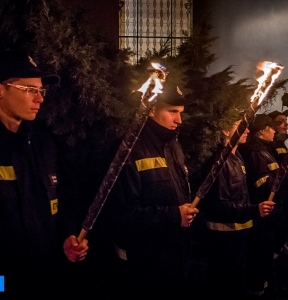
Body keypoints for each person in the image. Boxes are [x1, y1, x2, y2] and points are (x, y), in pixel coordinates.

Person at [0, 50, 88, 298]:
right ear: (1, 90)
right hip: (3, 282)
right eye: (29, 89)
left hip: (46, 280)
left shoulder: (44, 145)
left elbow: (63, 203)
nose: (40, 99)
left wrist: (67, 238)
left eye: (42, 91)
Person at [109, 80, 199, 298]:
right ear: (150, 109)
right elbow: (122, 214)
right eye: (172, 112)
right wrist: (173, 214)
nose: (179, 120)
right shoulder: (128, 150)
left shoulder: (173, 145)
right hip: (145, 262)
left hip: (175, 255)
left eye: (181, 112)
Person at [196, 116, 275, 300]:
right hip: (224, 240)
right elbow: (218, 207)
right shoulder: (219, 162)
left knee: (237, 285)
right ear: (225, 130)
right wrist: (254, 210)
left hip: (239, 235)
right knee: (225, 288)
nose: (247, 130)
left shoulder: (237, 157)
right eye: (240, 126)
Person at [241, 114, 288, 298]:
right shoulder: (256, 152)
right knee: (259, 257)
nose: (274, 130)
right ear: (261, 130)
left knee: (266, 258)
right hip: (262, 217)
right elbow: (264, 185)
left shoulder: (265, 149)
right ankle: (258, 291)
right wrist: (286, 170)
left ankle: (267, 286)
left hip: (271, 215)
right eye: (271, 127)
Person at [267, 109, 288, 293]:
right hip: (279, 199)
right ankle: (273, 274)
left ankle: (276, 268)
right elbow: (279, 169)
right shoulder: (273, 145)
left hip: (286, 198)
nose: (285, 124)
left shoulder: (282, 144)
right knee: (276, 235)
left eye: (286, 121)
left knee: (281, 234)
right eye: (281, 121)